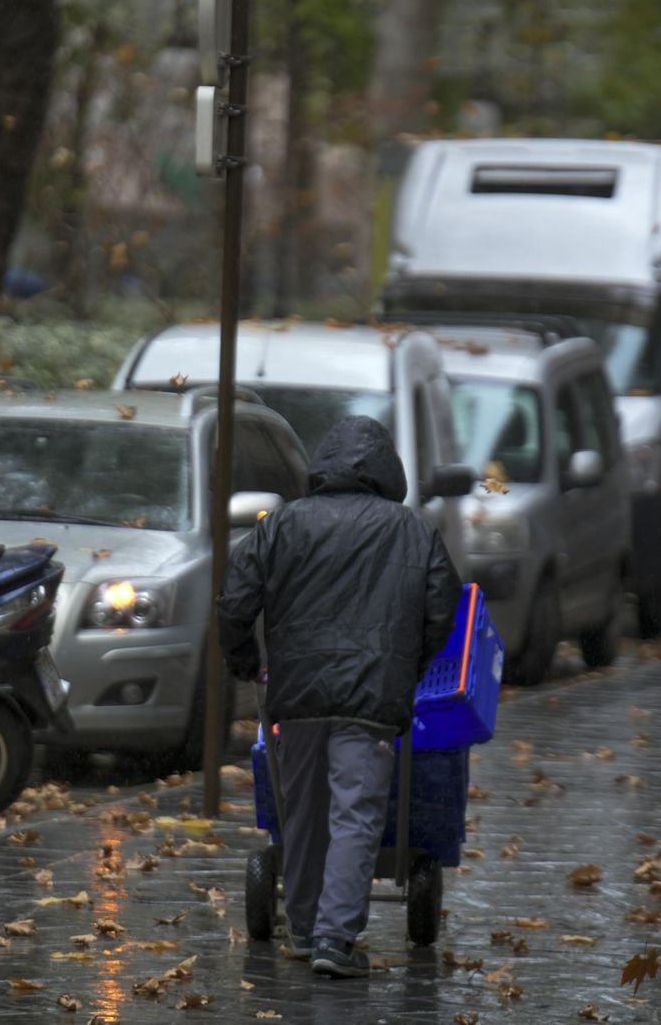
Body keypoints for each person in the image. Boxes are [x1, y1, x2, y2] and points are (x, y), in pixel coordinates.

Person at [218, 415, 462, 979]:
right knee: (356, 813)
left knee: (301, 812)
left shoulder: (281, 525)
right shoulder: (413, 531)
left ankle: (303, 929)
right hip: (371, 697)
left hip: (297, 693)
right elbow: (441, 609)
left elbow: (234, 602)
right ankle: (334, 937)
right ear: (387, 470)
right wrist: (410, 664)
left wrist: (246, 663)